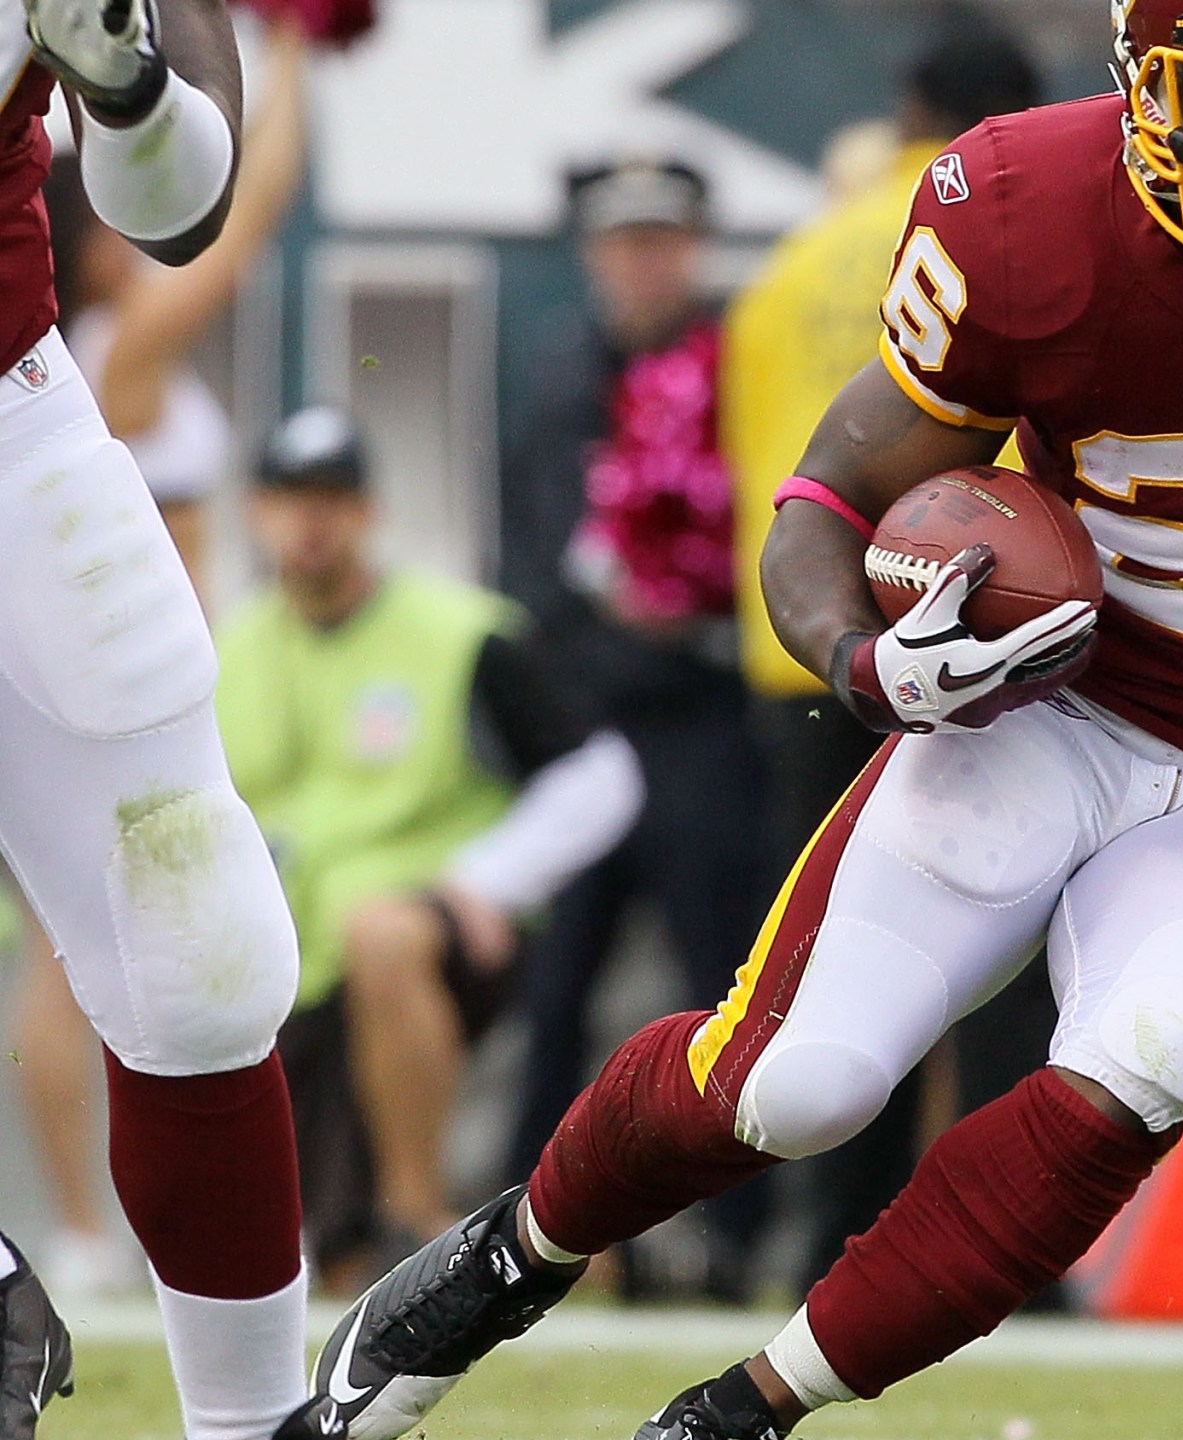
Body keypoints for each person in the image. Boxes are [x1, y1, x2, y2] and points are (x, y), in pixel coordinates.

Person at [284, 0, 1183, 1435]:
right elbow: (822, 499)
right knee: (798, 1084)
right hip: (1054, 714)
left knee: (1134, 1078)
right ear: (1140, 90)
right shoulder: (1029, 213)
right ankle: (500, 1264)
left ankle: (741, 1413)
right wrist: (868, 666)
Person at [0, 3, 316, 1438]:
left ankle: (252, 1431)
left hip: (13, 427)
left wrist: (121, 84)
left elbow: (184, 215)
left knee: (200, 955)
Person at [722, 12, 1061, 1293]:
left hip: (801, 661)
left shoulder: (796, 260)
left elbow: (770, 473)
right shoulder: (1008, 246)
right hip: (968, 636)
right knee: (992, 957)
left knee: (830, 971)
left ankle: (831, 1244)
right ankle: (1001, 1257)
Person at [220, 409, 646, 1286]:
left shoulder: (460, 631)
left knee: (383, 934)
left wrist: (478, 882)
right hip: (291, 967)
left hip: (435, 935)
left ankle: (415, 1213)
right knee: (325, 1260)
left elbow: (603, 776)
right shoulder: (231, 649)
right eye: (292, 498)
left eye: (334, 498)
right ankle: (512, 1258)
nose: (312, 520)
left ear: (370, 512)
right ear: (258, 512)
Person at [496, 154, 772, 1294]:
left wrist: (687, 616)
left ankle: (732, 1243)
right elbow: (527, 561)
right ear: (594, 253)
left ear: (695, 247)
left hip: (703, 718)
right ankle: (519, 1240)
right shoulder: (558, 380)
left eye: (665, 237)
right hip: (587, 724)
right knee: (556, 986)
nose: (645, 260)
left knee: (727, 986)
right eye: (626, 239)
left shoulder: (739, 364)